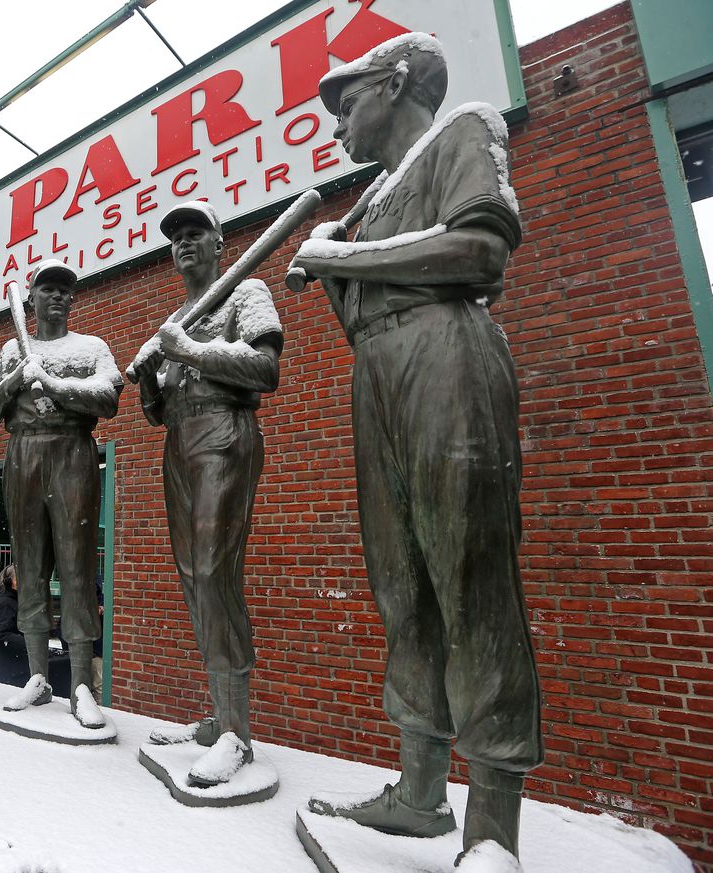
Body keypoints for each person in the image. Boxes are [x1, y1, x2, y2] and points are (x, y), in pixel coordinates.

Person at [288, 34, 541, 864]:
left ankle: (494, 831)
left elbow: (481, 251)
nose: (336, 125)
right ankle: (421, 792)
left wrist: (346, 255)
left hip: (448, 353)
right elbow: (360, 312)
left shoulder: (464, 127)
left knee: (471, 577)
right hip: (378, 372)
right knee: (400, 582)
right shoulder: (372, 198)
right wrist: (335, 268)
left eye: (346, 102)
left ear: (394, 84)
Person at [129, 198, 283, 786]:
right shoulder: (178, 316)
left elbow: (265, 370)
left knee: (216, 572)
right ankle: (222, 715)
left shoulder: (246, 291)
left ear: (219, 242)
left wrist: (189, 351)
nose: (185, 243)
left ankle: (236, 734)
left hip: (225, 431)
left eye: (197, 233)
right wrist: (150, 377)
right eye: (177, 237)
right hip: (180, 440)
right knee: (193, 576)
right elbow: (156, 411)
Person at [0, 258, 120, 726]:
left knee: (77, 569)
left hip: (72, 452)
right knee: (30, 570)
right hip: (23, 454)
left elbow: (109, 399)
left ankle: (80, 683)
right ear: (33, 297)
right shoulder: (10, 350)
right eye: (48, 288)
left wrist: (56, 385)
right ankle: (37, 678)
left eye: (65, 289)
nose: (57, 295)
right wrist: (19, 377)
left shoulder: (91, 346)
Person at [0, 565, 29, 687]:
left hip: (9, 658)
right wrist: (26, 641)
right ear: (11, 581)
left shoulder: (10, 599)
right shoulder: (6, 602)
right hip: (7, 660)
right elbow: (1, 633)